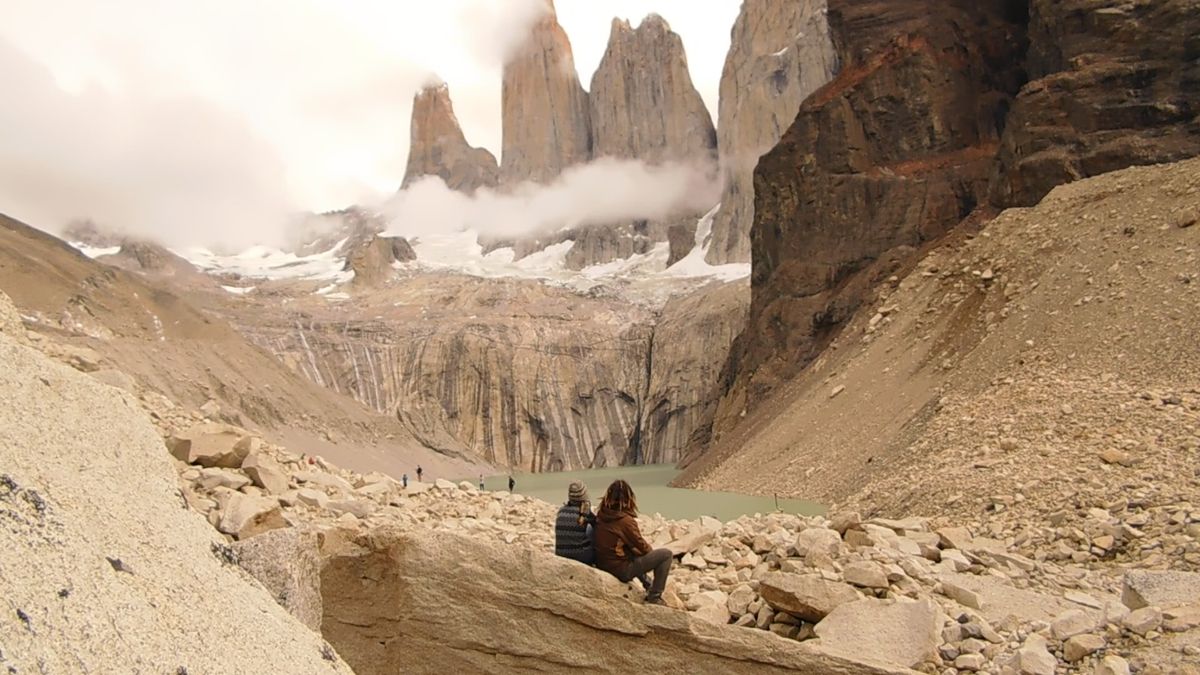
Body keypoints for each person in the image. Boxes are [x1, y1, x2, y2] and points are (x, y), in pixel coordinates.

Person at [594, 480, 672, 605]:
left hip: (603, 564)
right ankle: (655, 596)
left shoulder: (602, 514)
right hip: (620, 570)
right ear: (628, 499)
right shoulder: (626, 521)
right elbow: (643, 546)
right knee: (666, 555)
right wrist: (651, 557)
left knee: (633, 551)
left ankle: (648, 584)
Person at [554, 481, 596, 564]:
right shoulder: (585, 513)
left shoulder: (561, 510)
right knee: (590, 529)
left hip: (560, 554)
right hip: (580, 557)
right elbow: (597, 525)